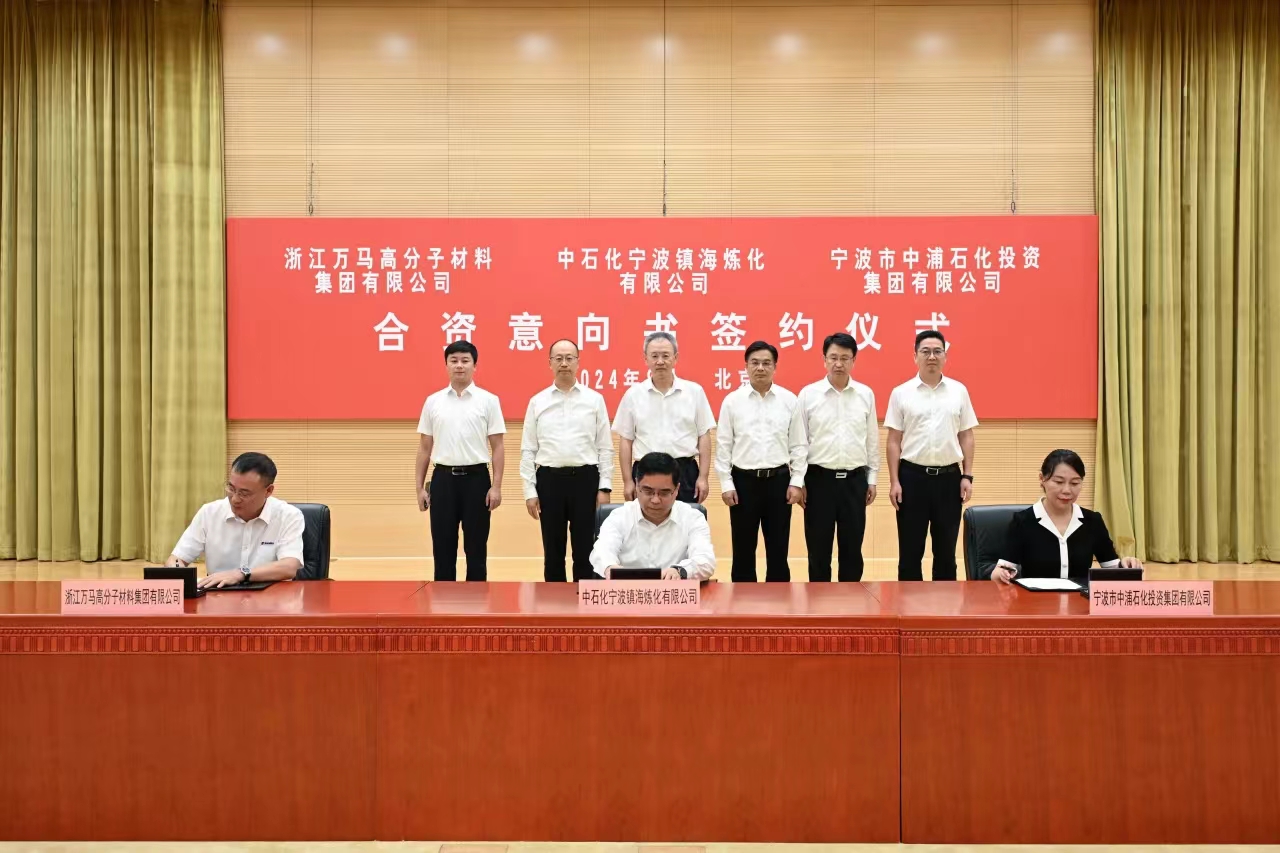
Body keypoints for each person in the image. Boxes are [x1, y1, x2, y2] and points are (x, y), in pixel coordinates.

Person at [885, 330, 978, 582]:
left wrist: (967, 476)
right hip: (912, 478)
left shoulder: (959, 391)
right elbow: (893, 441)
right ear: (915, 356)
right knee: (910, 552)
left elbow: (966, 435)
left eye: (938, 351)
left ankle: (945, 605)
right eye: (925, 351)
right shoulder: (901, 392)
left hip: (949, 479)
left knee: (946, 553)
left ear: (945, 356)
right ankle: (907, 603)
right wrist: (894, 481)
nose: (932, 356)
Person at [521, 339, 614, 582]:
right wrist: (530, 491)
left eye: (569, 358)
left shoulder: (594, 400)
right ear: (550, 363)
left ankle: (584, 602)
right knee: (553, 552)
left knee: (586, 551)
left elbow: (605, 447)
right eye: (558, 358)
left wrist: (604, 487)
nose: (564, 363)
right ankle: (553, 602)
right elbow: (528, 450)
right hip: (549, 481)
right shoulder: (537, 401)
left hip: (586, 480)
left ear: (578, 362)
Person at [415, 340, 506, 581]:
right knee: (442, 547)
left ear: (475, 366)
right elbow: (424, 448)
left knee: (476, 548)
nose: (459, 366)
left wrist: (496, 487)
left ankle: (477, 601)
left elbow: (498, 447)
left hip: (477, 480)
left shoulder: (489, 400)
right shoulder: (433, 401)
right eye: (453, 361)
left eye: (465, 361)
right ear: (446, 365)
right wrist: (419, 488)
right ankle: (443, 601)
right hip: (443, 480)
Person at [715, 341, 806, 582]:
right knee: (743, 548)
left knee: (778, 548)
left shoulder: (789, 400)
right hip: (743, 482)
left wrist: (796, 482)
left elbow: (798, 445)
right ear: (746, 366)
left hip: (779, 482)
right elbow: (724, 446)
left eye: (766, 363)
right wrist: (726, 484)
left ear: (775, 366)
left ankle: (779, 599)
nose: (760, 368)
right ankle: (742, 600)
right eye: (754, 363)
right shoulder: (732, 401)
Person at [796, 332, 880, 582]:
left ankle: (852, 601)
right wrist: (799, 481)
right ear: (824, 359)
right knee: (818, 550)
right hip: (818, 481)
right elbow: (799, 442)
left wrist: (872, 479)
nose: (838, 363)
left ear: (854, 360)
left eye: (845, 358)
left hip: (854, 481)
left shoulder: (865, 394)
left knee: (852, 550)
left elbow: (871, 440)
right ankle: (819, 602)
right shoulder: (808, 395)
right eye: (833, 357)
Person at [991, 449, 1142, 583]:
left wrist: (1126, 565)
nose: (1067, 490)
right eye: (1059, 482)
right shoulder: (1022, 521)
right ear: (1042, 479)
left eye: (1075, 483)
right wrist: (1000, 574)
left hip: (1080, 603)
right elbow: (1002, 570)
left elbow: (1112, 569)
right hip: (1035, 603)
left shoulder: (1092, 521)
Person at [167, 452, 304, 589]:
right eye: (231, 488)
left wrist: (241, 574)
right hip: (219, 595)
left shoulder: (289, 515)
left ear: (268, 491)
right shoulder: (209, 513)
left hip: (271, 596)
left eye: (244, 493)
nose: (235, 499)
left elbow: (289, 566)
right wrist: (176, 570)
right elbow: (176, 559)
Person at [612, 331, 715, 504]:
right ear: (646, 359)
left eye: (665, 356)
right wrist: (627, 481)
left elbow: (704, 436)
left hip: (684, 472)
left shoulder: (694, 392)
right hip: (646, 472)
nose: (660, 361)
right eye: (654, 356)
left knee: (685, 519)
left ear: (675, 358)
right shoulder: (633, 395)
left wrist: (703, 477)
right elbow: (626, 441)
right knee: (645, 520)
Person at [590, 452, 716, 580]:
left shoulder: (693, 518)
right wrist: (610, 567)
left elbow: (705, 560)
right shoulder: (619, 517)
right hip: (628, 590)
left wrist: (680, 571)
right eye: (648, 491)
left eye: (664, 493)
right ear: (637, 485)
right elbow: (602, 551)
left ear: (677, 489)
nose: (655, 500)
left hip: (673, 590)